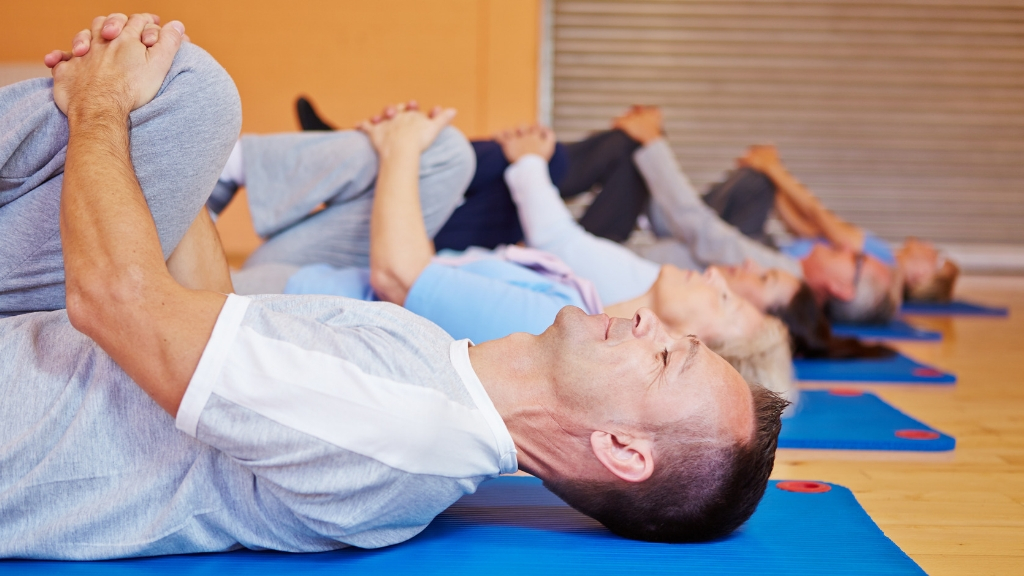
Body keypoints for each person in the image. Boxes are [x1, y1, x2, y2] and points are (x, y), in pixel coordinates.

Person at [0, 13, 787, 559]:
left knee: (188, 97)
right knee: (181, 108)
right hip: (42, 331)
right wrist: (168, 166)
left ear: (620, 448)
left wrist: (104, 106)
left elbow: (115, 302)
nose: (650, 327)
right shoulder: (438, 367)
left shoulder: (410, 427)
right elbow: (215, 311)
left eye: (666, 360)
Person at [228, 107, 794, 399]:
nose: (718, 275)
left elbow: (399, 275)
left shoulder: (560, 326)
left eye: (724, 300)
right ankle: (241, 167)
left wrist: (399, 148)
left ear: (689, 348)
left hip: (295, 294)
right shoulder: (586, 297)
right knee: (447, 153)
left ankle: (228, 172)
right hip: (325, 269)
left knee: (433, 148)